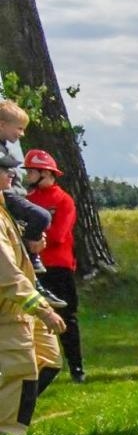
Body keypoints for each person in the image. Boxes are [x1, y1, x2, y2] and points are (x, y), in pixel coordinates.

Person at [0, 153, 65, 435]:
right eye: (4, 171)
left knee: (49, 360)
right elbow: (7, 275)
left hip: (22, 308)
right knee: (20, 371)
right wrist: (43, 309)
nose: (12, 176)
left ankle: (9, 416)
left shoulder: (5, 207)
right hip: (9, 309)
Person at [22, 149, 83, 381]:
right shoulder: (26, 200)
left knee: (67, 317)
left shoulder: (64, 200)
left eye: (31, 171)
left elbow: (58, 235)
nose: (27, 175)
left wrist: (32, 236)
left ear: (45, 172)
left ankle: (77, 368)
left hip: (59, 266)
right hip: (33, 267)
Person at [0, 101, 66, 310]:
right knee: (42, 216)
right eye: (19, 128)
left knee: (29, 227)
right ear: (2, 124)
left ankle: (34, 271)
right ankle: (33, 260)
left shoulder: (4, 147)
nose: (22, 134)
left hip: (11, 195)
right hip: (8, 196)